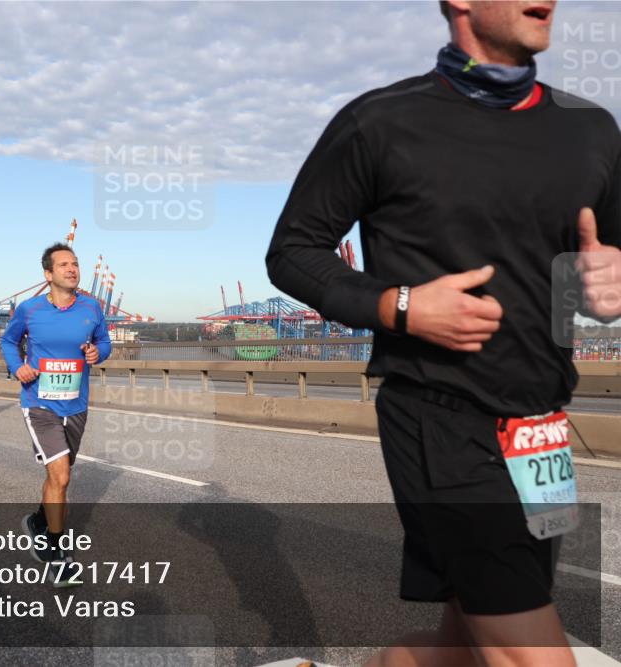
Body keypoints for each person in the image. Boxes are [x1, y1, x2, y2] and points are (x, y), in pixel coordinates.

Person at [265, 2, 621, 665]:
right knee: (534, 654)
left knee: (465, 646)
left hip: (542, 432)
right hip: (440, 416)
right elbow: (293, 251)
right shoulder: (382, 121)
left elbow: (599, 258)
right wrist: (402, 305)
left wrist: (606, 286)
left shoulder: (592, 130)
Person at [1, 243, 111, 587]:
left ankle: (38, 520)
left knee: (57, 477)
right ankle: (57, 553)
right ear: (48, 274)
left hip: (76, 404)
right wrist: (18, 368)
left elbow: (105, 342)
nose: (72, 269)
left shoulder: (92, 307)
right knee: (61, 477)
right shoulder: (29, 309)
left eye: (75, 264)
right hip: (39, 403)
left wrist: (97, 352)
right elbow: (8, 342)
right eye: (64, 265)